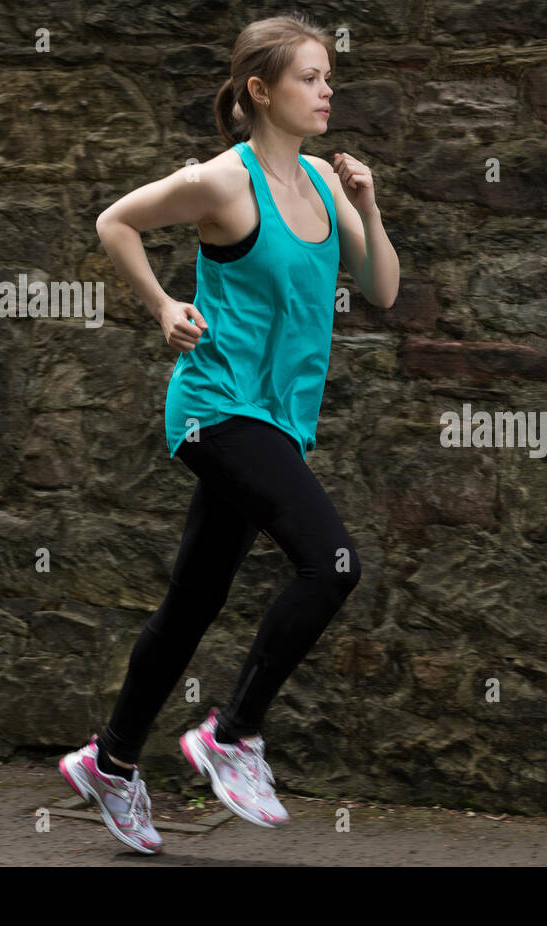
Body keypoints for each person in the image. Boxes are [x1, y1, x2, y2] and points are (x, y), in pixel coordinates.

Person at [58, 12, 399, 854]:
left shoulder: (324, 181)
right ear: (260, 90)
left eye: (329, 77)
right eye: (310, 77)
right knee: (333, 563)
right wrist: (164, 305)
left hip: (279, 421)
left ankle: (109, 762)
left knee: (193, 603)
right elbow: (115, 221)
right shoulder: (221, 182)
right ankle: (232, 734)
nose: (327, 90)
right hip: (215, 409)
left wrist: (369, 202)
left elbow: (382, 287)